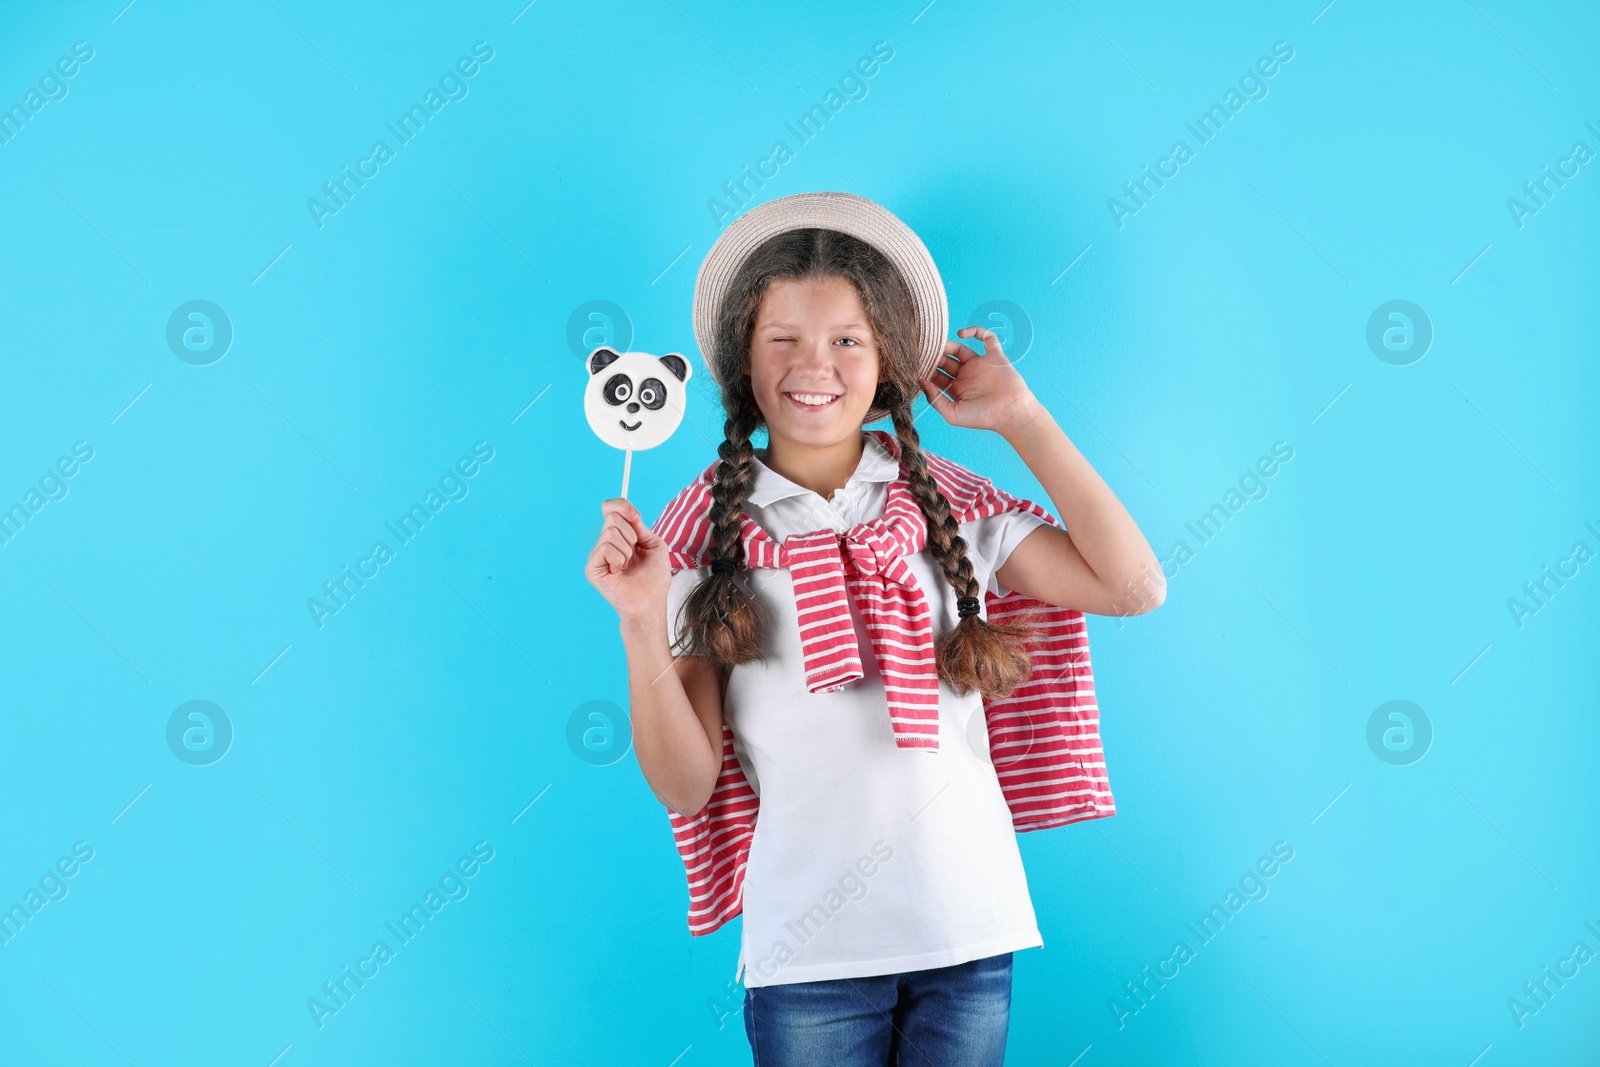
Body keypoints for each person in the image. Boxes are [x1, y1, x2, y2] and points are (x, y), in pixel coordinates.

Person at [586, 192, 1165, 1066]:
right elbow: (684, 782)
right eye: (783, 337)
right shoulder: (701, 534)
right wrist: (639, 626)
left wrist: (1022, 419)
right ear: (742, 358)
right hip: (808, 953)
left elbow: (1133, 586)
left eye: (847, 339)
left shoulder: (952, 507)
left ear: (888, 358)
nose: (813, 364)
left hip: (969, 932)